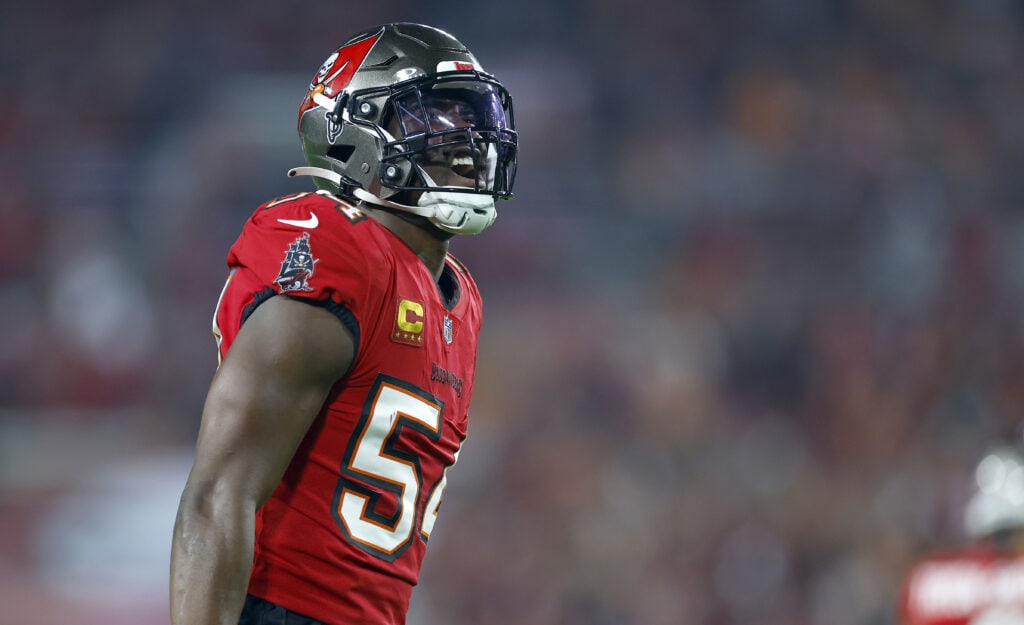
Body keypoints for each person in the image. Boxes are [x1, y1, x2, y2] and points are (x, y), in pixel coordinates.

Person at [170, 22, 517, 625]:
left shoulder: (460, 298)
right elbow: (218, 493)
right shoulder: (340, 253)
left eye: (474, 116)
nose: (470, 139)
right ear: (353, 136)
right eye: (434, 116)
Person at [899, 444, 1024, 624]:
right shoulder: (933, 581)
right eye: (1000, 536)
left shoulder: (931, 580)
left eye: (1007, 534)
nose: (1000, 546)